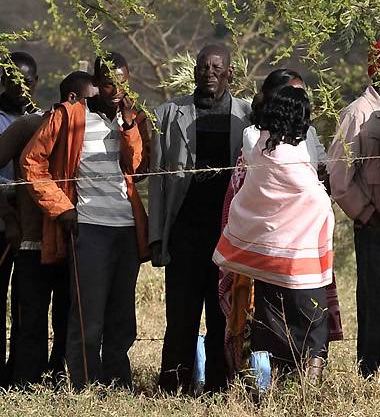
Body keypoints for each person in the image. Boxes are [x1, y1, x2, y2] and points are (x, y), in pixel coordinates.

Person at [20, 53, 150, 390]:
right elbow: (32, 163)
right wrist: (62, 208)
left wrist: (128, 126)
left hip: (126, 227)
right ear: (97, 82)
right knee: (87, 315)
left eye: (122, 83)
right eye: (108, 83)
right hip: (89, 227)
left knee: (122, 315)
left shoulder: (133, 118)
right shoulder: (69, 116)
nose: (116, 90)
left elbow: (137, 167)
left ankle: (118, 384)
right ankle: (84, 386)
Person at [215, 83, 334, 384]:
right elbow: (314, 198)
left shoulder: (260, 147)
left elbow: (254, 195)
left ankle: (266, 389)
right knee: (313, 325)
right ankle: (309, 388)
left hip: (267, 259)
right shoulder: (289, 155)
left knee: (271, 325)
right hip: (297, 260)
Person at [150, 44, 251, 395]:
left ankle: (220, 386)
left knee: (222, 311)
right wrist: (156, 237)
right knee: (181, 313)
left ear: (230, 73)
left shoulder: (247, 116)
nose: (209, 73)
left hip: (228, 232)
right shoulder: (168, 113)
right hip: (184, 231)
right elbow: (158, 182)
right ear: (194, 72)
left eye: (216, 67)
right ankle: (174, 384)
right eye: (203, 67)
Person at [330, 39, 380, 378]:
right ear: (376, 71)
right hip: (375, 227)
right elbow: (339, 176)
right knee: (377, 305)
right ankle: (373, 378)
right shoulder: (358, 113)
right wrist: (367, 214)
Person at [1, 61, 73, 388]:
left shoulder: (92, 131)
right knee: (29, 318)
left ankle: (58, 377)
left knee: (65, 317)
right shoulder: (31, 126)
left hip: (70, 240)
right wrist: (9, 216)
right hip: (31, 240)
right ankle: (24, 383)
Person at [0, 49, 40, 382]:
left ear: (36, 83)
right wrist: (8, 220)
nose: (19, 87)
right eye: (12, 80)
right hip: (3, 219)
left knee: (26, 300)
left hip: (32, 224)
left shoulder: (42, 120)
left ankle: (20, 369)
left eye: (25, 82)